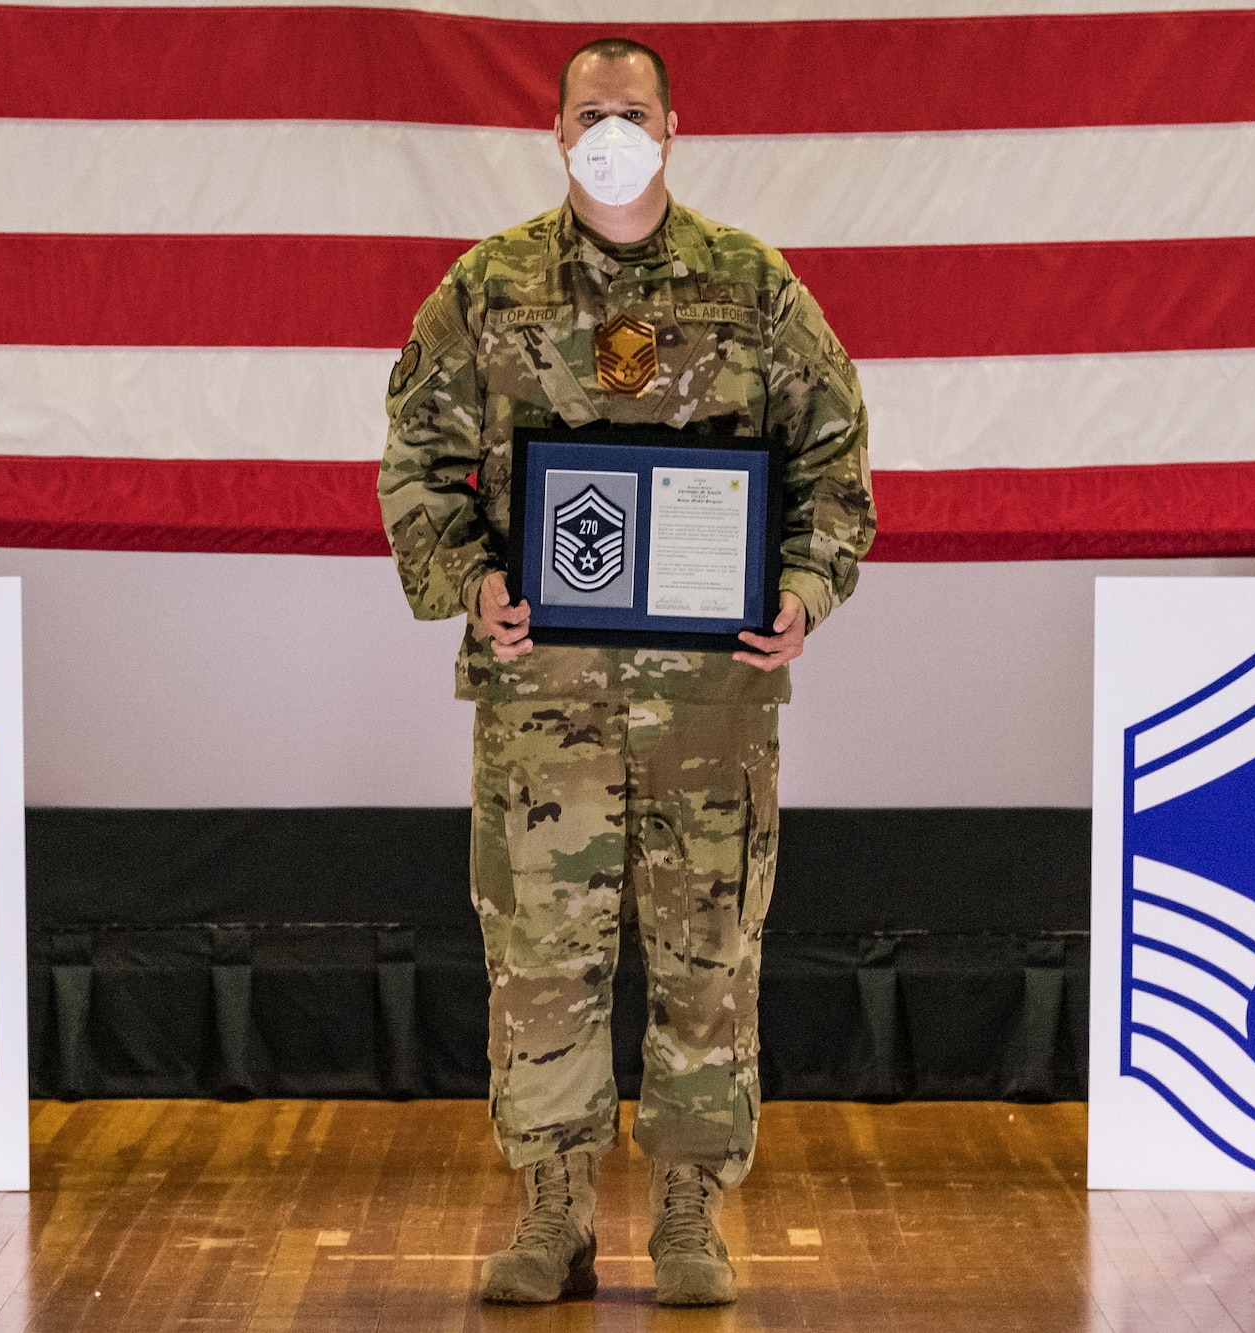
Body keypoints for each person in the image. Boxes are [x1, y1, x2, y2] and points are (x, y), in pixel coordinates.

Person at [378, 36, 874, 1307]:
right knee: (541, 960)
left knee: (710, 958)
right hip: (542, 704)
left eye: (632, 111)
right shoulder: (484, 291)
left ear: (673, 126)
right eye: (589, 112)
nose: (611, 129)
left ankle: (691, 1215)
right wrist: (472, 583)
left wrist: (804, 593)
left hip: (710, 712)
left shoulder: (753, 288)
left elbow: (834, 471)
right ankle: (553, 1212)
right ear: (555, 133)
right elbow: (418, 472)